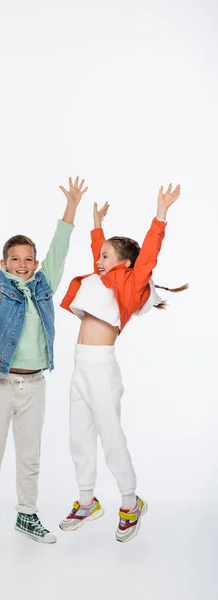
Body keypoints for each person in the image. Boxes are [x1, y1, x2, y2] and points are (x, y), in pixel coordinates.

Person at [58, 184, 187, 543]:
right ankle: (87, 501)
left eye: (106, 255)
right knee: (78, 433)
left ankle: (130, 503)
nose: (99, 260)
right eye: (98, 255)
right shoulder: (99, 280)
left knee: (111, 436)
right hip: (79, 365)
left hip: (101, 367)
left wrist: (160, 215)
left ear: (126, 265)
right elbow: (99, 258)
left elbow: (148, 258)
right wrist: (97, 225)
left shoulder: (129, 287)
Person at [0, 167, 85, 548]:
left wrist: (70, 209)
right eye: (15, 258)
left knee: (29, 456)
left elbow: (59, 251)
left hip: (35, 384)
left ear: (35, 264)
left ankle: (26, 515)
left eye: (28, 259)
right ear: (4, 263)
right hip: (1, 382)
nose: (23, 264)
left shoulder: (44, 285)